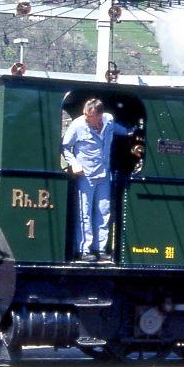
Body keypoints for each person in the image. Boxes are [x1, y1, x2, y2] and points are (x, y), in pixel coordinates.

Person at [62, 98, 130, 263]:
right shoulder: (77, 126)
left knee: (103, 211)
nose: (86, 116)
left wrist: (134, 131)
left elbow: (122, 131)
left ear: (99, 115)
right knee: (84, 212)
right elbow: (65, 147)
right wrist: (74, 164)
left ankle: (100, 248)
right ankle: (84, 250)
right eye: (85, 113)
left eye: (89, 115)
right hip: (85, 175)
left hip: (104, 174)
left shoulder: (109, 122)